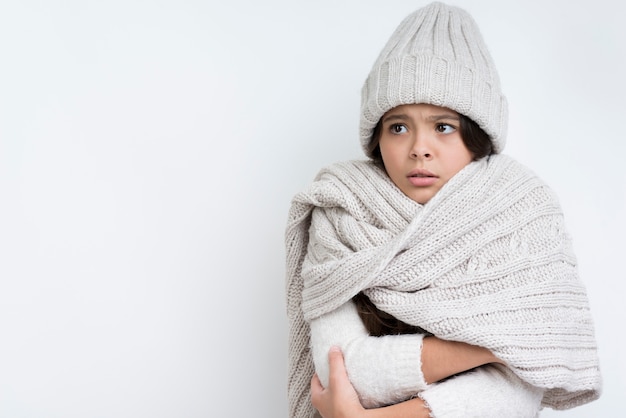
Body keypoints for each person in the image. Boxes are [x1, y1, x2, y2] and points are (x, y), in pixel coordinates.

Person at [285, 2, 602, 417]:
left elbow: (522, 387)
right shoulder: (341, 206)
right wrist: (494, 344)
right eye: (398, 127)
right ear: (376, 137)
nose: (419, 148)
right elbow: (343, 369)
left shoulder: (521, 210)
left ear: (477, 134)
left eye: (443, 126)